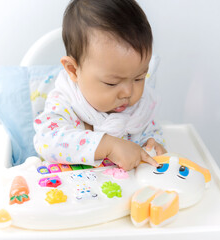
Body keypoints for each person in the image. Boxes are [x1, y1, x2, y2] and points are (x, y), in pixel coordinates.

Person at [33, 0, 166, 171]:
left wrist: (155, 147)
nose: (128, 92)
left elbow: (152, 134)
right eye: (112, 83)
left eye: (139, 78)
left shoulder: (141, 106)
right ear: (73, 70)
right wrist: (108, 145)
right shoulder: (66, 103)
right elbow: (46, 141)